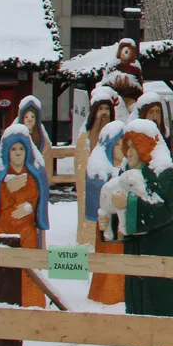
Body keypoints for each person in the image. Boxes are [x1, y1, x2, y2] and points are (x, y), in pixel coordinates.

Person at [102, 120, 173, 322]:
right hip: (134, 248)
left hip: (159, 247)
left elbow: (165, 210)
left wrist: (129, 205)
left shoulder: (163, 174)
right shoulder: (124, 174)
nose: (128, 153)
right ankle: (137, 342)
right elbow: (117, 208)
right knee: (135, 296)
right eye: (126, 147)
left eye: (134, 147)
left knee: (158, 297)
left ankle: (163, 345)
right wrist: (110, 223)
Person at [0, 125, 50, 307]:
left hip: (26, 231)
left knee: (28, 271)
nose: (18, 153)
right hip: (2, 229)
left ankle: (31, 304)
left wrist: (30, 207)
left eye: (21, 149)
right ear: (7, 152)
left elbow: (38, 198)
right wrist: (5, 189)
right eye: (14, 149)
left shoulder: (33, 176)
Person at [85, 120, 126, 305]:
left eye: (123, 144)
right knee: (108, 259)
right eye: (116, 145)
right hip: (107, 224)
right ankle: (106, 292)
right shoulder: (103, 173)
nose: (120, 149)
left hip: (125, 226)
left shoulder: (129, 171)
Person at [75, 87, 118, 246]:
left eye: (107, 109)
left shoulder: (116, 137)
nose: (104, 113)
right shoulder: (85, 139)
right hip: (90, 186)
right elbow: (81, 167)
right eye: (100, 109)